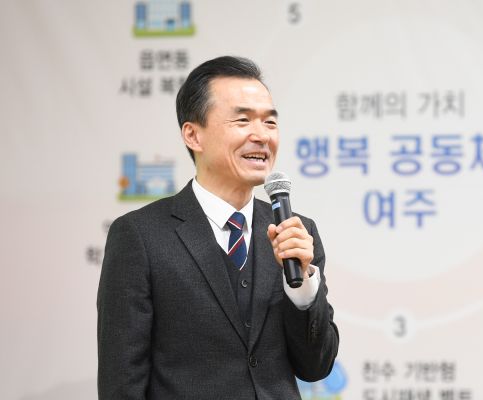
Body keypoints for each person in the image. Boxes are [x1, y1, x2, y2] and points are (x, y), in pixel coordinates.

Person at [97, 56, 339, 399]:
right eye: (242, 120)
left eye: (270, 122)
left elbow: (316, 366)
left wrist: (302, 289)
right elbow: (121, 382)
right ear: (193, 135)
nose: (261, 135)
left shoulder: (296, 233)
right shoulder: (141, 236)